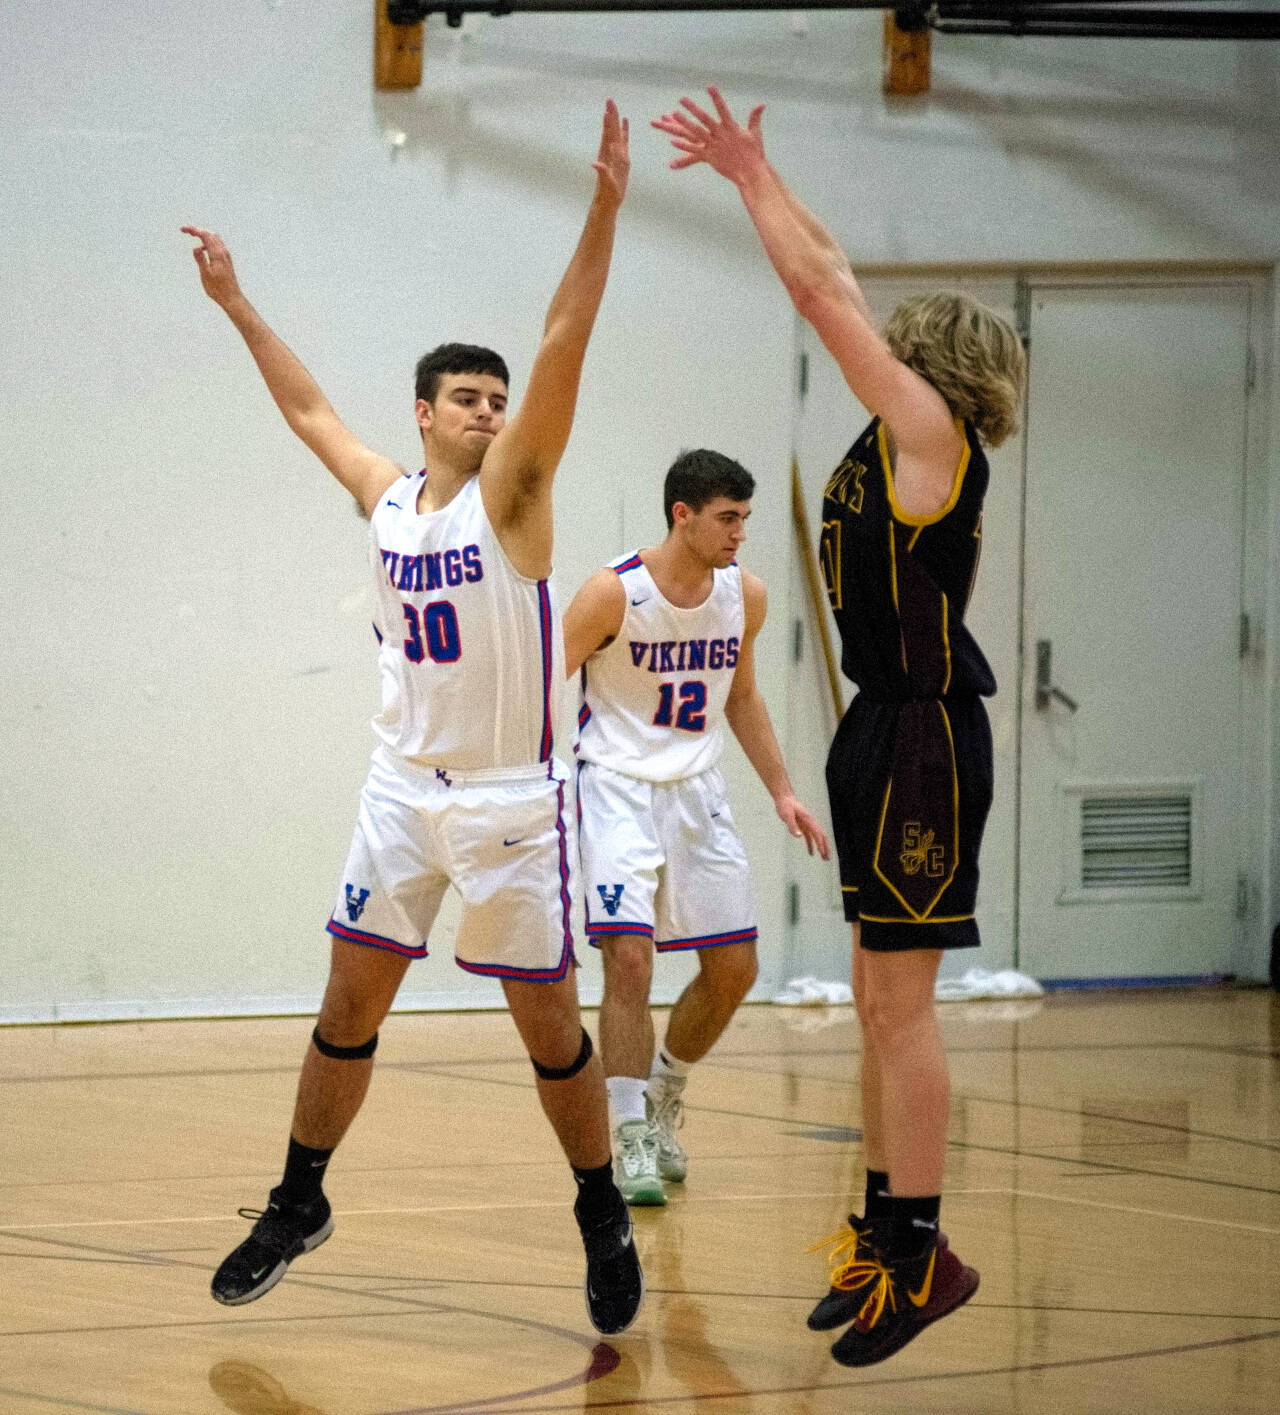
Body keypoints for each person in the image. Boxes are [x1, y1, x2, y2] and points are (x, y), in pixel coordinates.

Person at [181, 100, 644, 1336]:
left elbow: (565, 336)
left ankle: (598, 1203)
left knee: (549, 1028)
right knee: (346, 1010)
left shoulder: (517, 502)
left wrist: (603, 206)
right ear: (427, 414)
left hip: (506, 801)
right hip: (401, 790)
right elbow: (307, 411)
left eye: (499, 397)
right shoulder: (388, 500)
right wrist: (236, 305)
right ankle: (297, 1197)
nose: (492, 409)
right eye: (468, 398)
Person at [654, 89, 1025, 1365]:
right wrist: (773, 185)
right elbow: (835, 271)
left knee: (902, 1008)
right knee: (874, 1002)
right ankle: (881, 1233)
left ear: (933, 364)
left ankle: (923, 1251)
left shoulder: (932, 436)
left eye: (892, 340)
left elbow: (820, 295)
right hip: (878, 730)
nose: (872, 337)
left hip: (924, 737)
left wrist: (749, 173)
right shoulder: (893, 430)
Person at [564, 448, 829, 1206]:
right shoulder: (610, 593)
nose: (740, 532)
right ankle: (627, 1135)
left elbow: (740, 694)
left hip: (697, 787)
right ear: (682, 514)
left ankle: (664, 1089)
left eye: (745, 517)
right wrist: (541, 784)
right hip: (615, 785)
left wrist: (781, 790)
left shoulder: (745, 594)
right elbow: (548, 680)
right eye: (727, 517)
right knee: (631, 962)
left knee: (736, 968)